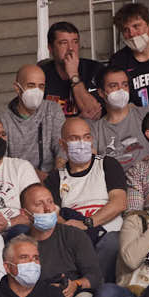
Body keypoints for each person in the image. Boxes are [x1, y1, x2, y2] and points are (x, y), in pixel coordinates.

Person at [13, 185, 100, 297]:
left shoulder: (73, 235)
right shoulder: (20, 246)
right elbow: (13, 285)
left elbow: (95, 275)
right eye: (39, 204)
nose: (47, 208)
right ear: (25, 213)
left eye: (50, 202)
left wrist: (75, 284)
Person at [46, 117, 127, 284]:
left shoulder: (107, 164)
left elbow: (119, 202)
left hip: (110, 236)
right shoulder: (55, 178)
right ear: (62, 144)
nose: (82, 143)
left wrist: (88, 223)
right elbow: (54, 214)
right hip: (78, 242)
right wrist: (73, 229)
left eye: (86, 137)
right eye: (74, 138)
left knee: (112, 242)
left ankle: (91, 284)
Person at [2, 65, 67, 178]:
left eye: (41, 86)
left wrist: (56, 178)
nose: (36, 91)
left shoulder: (53, 109)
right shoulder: (2, 120)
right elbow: (4, 163)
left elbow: (61, 147)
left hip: (53, 178)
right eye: (31, 86)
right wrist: (33, 176)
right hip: (19, 180)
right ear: (17, 88)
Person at [90, 66, 149, 170]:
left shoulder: (147, 115)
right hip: (115, 184)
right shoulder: (95, 130)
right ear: (101, 92)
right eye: (114, 86)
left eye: (125, 85)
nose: (121, 90)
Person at [40, 22, 104, 119]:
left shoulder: (95, 69)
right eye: (63, 43)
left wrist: (74, 75)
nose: (71, 48)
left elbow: (93, 113)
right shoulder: (41, 75)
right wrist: (77, 120)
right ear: (50, 48)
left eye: (75, 42)